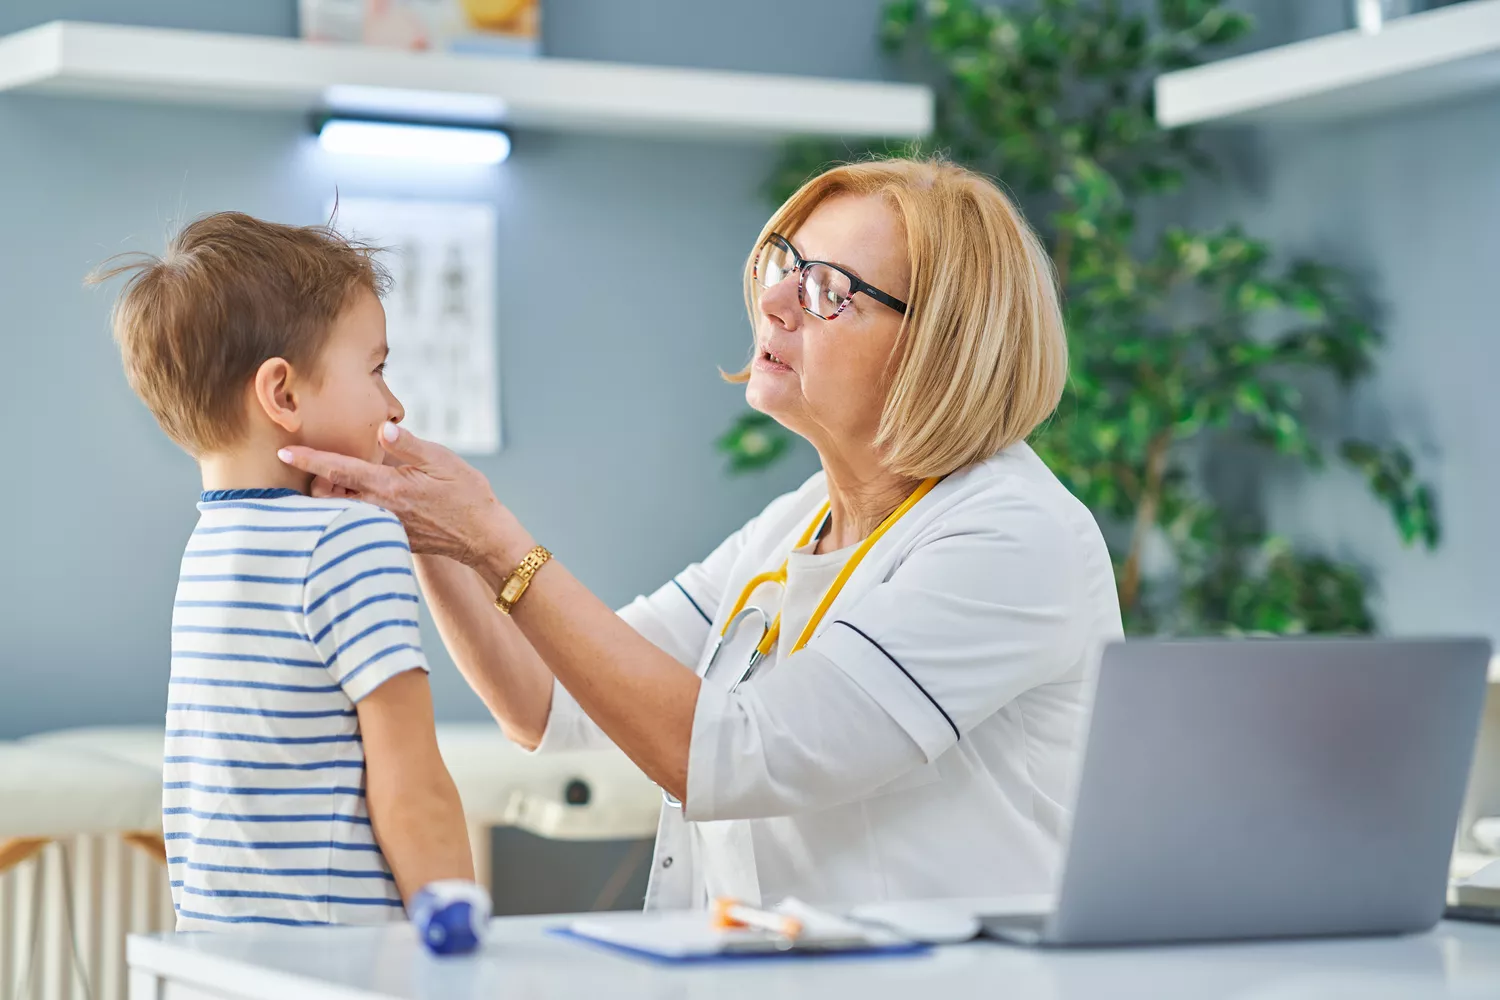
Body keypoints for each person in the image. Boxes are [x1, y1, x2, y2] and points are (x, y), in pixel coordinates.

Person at [280, 158, 1125, 909]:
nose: (774, 300)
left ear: (944, 348)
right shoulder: (801, 522)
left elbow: (743, 757)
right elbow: (548, 703)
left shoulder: (1015, 538)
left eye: (829, 290)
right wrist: (431, 525)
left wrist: (492, 538)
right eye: (782, 264)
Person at [93, 213, 472, 929]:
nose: (395, 406)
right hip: (337, 959)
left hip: (219, 946)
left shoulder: (207, 550)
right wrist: (460, 935)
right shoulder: (352, 538)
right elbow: (411, 784)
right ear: (284, 395)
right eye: (377, 369)